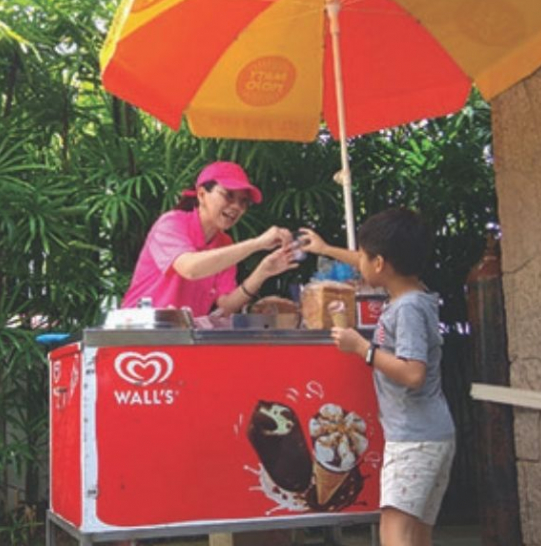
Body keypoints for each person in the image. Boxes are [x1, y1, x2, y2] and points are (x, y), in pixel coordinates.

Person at [299, 209, 456, 546]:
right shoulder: (415, 294)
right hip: (431, 434)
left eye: (365, 258)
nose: (360, 263)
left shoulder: (408, 308)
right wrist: (325, 248)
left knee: (394, 530)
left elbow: (413, 373)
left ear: (381, 264)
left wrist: (363, 349)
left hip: (415, 438)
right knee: (416, 534)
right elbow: (368, 258)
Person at [121, 161, 298, 318]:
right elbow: (190, 268)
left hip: (183, 338)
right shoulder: (171, 223)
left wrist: (263, 272)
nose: (237, 206)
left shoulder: (225, 243)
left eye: (244, 202)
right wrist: (257, 243)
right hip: (139, 332)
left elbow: (227, 306)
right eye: (228, 195)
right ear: (202, 195)